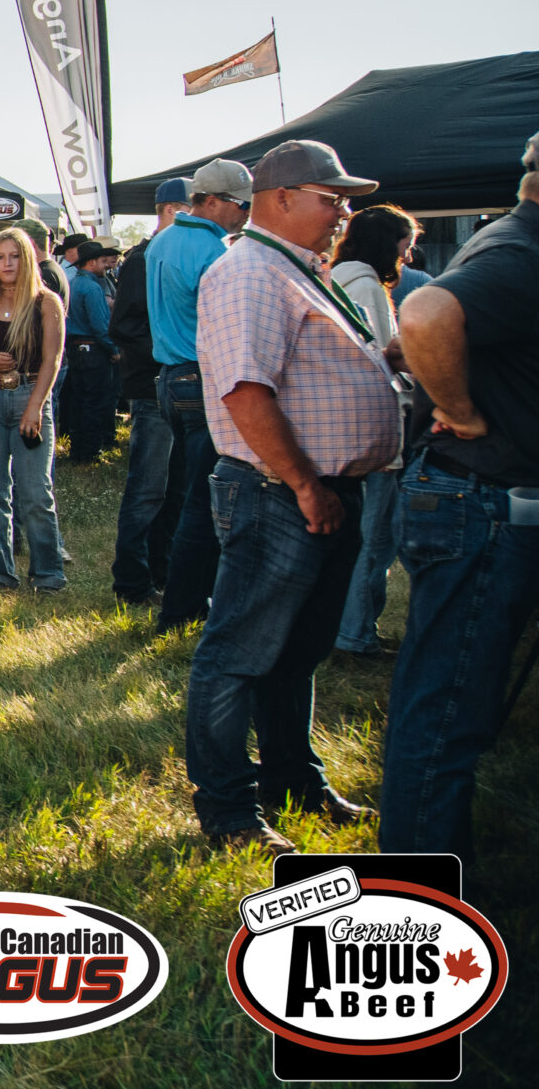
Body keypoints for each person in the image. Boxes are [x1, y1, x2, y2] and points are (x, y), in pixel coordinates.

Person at [183, 140, 396, 855]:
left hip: (315, 486)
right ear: (279, 199)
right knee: (239, 654)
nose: (343, 212)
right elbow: (245, 389)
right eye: (330, 197)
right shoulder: (249, 270)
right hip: (280, 488)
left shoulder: (293, 269)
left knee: (295, 653)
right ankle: (227, 809)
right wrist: (305, 482)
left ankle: (294, 782)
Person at [380, 134, 539, 871]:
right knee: (445, 714)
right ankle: (421, 904)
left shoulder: (506, 241)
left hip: (483, 496)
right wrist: (463, 408)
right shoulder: (519, 252)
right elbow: (424, 317)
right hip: (480, 498)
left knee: (452, 708)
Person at [151, 158, 255, 630]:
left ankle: (180, 599)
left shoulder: (163, 240)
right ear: (210, 201)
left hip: (171, 378)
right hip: (201, 376)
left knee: (184, 491)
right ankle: (183, 608)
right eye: (241, 203)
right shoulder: (216, 251)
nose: (247, 213)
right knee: (205, 499)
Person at [328, 204, 419, 657]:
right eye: (405, 244)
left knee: (363, 534)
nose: (409, 253)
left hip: (348, 424)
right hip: (377, 423)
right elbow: (379, 358)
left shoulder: (337, 275)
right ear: (389, 243)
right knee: (375, 536)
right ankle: (355, 632)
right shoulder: (363, 283)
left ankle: (346, 627)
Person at [0, 225, 67, 591]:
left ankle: (48, 573)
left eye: (15, 256)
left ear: (28, 258)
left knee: (36, 492)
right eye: (0, 257)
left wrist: (35, 407)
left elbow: (52, 361)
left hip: (30, 396)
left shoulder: (45, 302)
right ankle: (0, 573)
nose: (7, 264)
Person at [109, 180, 191, 603]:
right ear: (173, 210)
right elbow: (124, 325)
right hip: (153, 388)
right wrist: (167, 356)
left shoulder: (177, 253)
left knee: (176, 488)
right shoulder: (143, 258)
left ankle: (163, 573)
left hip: (180, 387)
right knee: (149, 489)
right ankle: (133, 582)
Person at [59, 240, 120, 463]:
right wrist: (113, 350)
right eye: (103, 261)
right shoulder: (92, 288)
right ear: (91, 262)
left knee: (79, 400)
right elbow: (100, 326)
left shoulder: (73, 284)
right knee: (96, 402)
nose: (105, 265)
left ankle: (77, 449)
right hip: (93, 350)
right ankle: (91, 452)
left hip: (75, 349)